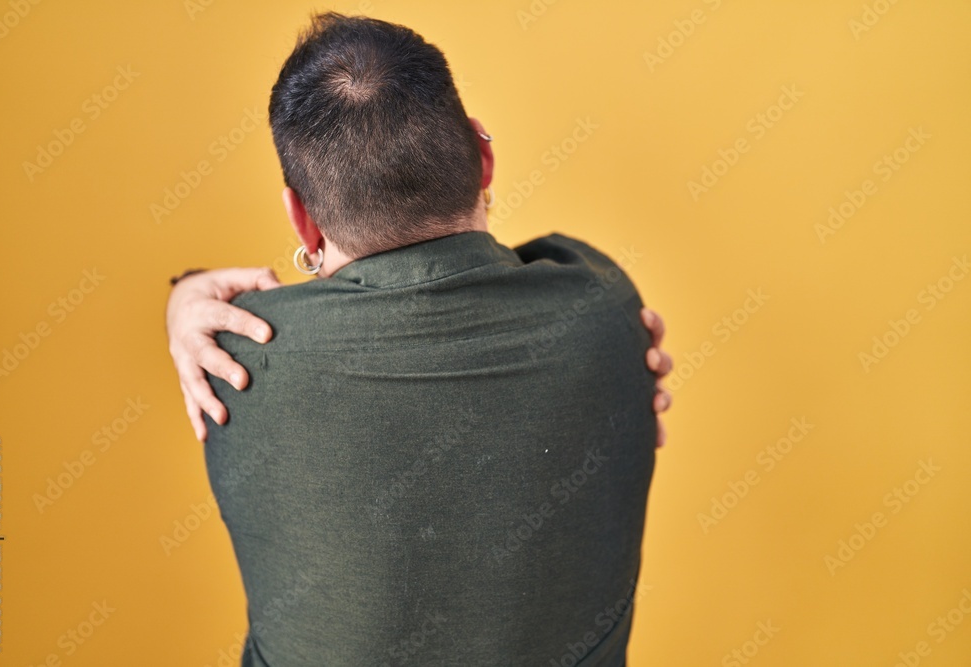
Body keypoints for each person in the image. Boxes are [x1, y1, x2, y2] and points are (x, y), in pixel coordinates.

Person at [165, 12, 673, 667]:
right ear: (481, 153)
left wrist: (186, 294)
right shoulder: (606, 309)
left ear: (302, 218)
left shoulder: (229, 365)